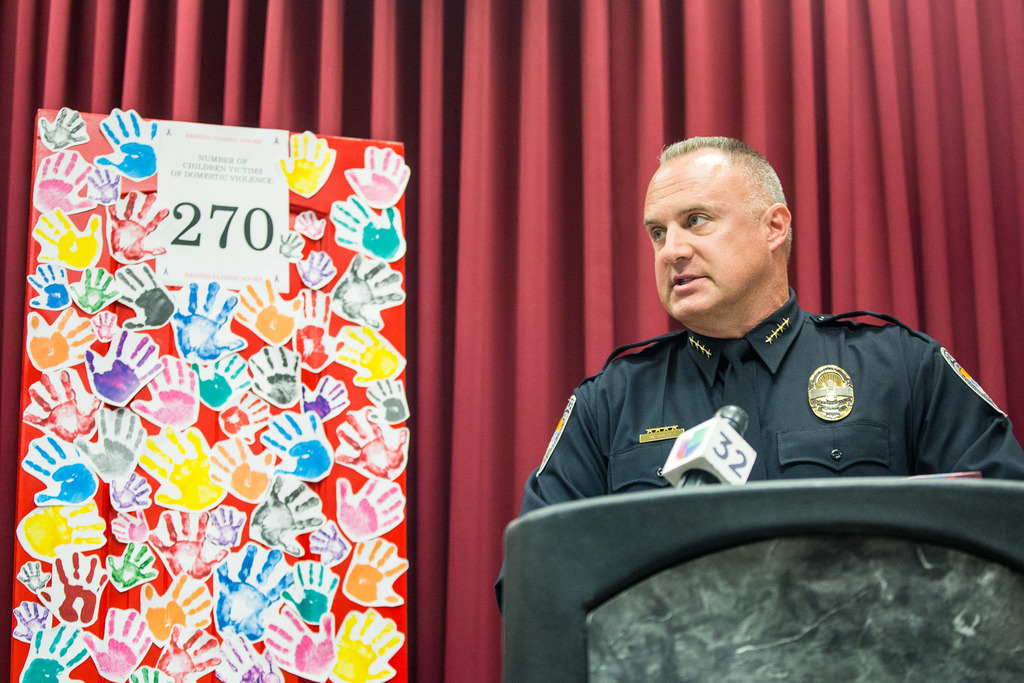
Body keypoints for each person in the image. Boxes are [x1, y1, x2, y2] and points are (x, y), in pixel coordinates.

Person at [496, 136, 1024, 608]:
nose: (672, 250)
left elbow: (1005, 527)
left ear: (774, 227)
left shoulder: (900, 367)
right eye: (658, 233)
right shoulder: (611, 400)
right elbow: (534, 579)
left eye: (696, 221)